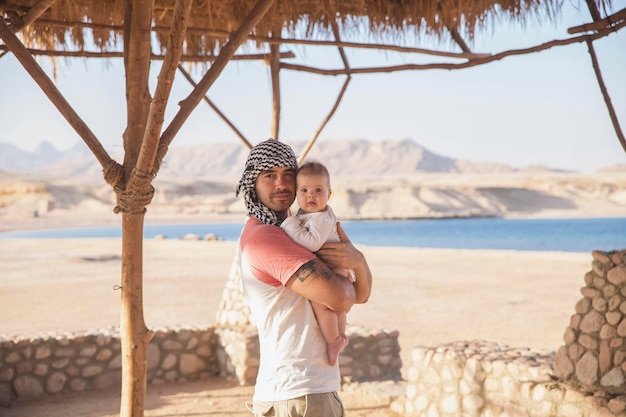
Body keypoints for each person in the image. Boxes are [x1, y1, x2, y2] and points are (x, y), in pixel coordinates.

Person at [235, 139, 373, 417]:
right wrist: (354, 263)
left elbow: (361, 296)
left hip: (310, 390)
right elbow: (344, 297)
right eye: (269, 175)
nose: (281, 184)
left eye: (288, 174)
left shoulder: (296, 230)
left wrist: (358, 261)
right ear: (252, 183)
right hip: (298, 392)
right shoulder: (266, 238)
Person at [280, 161, 355, 367]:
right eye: (304, 190)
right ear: (296, 193)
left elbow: (310, 242)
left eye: (317, 190)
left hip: (334, 268)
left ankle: (333, 341)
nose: (310, 195)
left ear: (329, 194)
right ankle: (340, 335)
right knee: (337, 308)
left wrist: (289, 222)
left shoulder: (321, 218)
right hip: (335, 268)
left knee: (321, 305)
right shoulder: (309, 214)